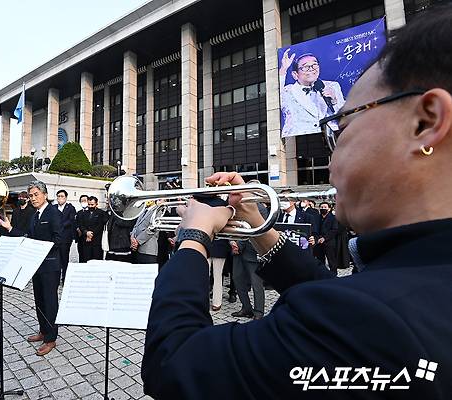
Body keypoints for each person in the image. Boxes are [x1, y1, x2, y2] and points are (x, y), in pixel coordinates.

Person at [142, 6, 452, 398]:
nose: (332, 157)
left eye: (341, 126)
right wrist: (256, 223)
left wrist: (192, 237)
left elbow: (174, 363)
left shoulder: (372, 319)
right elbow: (334, 294)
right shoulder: (408, 283)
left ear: (425, 122)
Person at [0, 181, 61, 356]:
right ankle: (43, 331)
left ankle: (51, 339)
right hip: (36, 265)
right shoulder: (35, 215)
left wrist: (40, 247)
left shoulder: (53, 213)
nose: (33, 198)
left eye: (36, 195)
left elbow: (60, 239)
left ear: (45, 195)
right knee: (39, 300)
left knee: (49, 302)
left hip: (50, 265)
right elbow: (28, 237)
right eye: (31, 195)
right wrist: (9, 228)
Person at [280, 50, 345, 136]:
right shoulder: (288, 91)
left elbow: (344, 115)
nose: (311, 69)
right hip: (298, 137)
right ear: (295, 74)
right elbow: (274, 96)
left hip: (329, 136)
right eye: (305, 66)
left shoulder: (332, 86)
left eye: (314, 65)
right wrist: (283, 69)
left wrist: (334, 101)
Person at [53, 189, 76, 283]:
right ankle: (56, 278)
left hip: (65, 238)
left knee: (64, 258)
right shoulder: (53, 207)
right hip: (55, 238)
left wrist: (59, 225)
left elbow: (70, 221)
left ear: (66, 198)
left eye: (62, 196)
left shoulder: (70, 208)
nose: (60, 198)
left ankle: (65, 278)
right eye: (58, 196)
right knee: (56, 259)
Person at [77, 196, 106, 261]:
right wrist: (86, 232)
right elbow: (81, 225)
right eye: (89, 204)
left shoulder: (101, 213)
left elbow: (100, 226)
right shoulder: (84, 214)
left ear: (96, 204)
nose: (90, 206)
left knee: (96, 262)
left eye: (92, 204)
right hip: (86, 241)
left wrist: (90, 235)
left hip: (97, 242)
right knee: (85, 261)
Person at [314, 201, 338, 274]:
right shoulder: (317, 218)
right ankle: (322, 273)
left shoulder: (333, 218)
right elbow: (315, 229)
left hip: (329, 242)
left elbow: (334, 230)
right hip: (318, 241)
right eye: (321, 207)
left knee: (331, 260)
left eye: (325, 207)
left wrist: (324, 238)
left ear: (329, 209)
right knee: (320, 259)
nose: (323, 208)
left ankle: (333, 274)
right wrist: (317, 238)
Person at [75, 194, 89, 262]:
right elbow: (76, 223)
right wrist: (77, 228)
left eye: (85, 200)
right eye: (82, 201)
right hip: (80, 239)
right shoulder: (78, 213)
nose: (83, 202)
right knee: (81, 256)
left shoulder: (91, 212)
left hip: (88, 238)